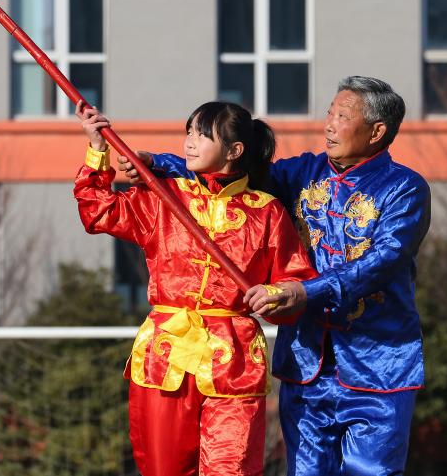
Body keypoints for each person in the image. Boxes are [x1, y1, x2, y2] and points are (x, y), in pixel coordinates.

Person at [132, 76, 431, 476]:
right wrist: (156, 164)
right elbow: (233, 169)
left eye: (342, 117)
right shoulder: (302, 173)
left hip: (378, 363)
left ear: (376, 131)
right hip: (305, 362)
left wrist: (305, 292)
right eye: (329, 113)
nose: (328, 125)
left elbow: (384, 260)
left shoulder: (405, 188)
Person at [73, 100, 317, 476]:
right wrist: (97, 147)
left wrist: (276, 295)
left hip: (234, 362)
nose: (189, 141)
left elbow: (297, 282)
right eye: (188, 132)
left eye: (202, 135)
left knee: (232, 468)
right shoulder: (165, 197)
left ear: (234, 151)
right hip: (165, 358)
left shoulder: (267, 212)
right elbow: (99, 212)